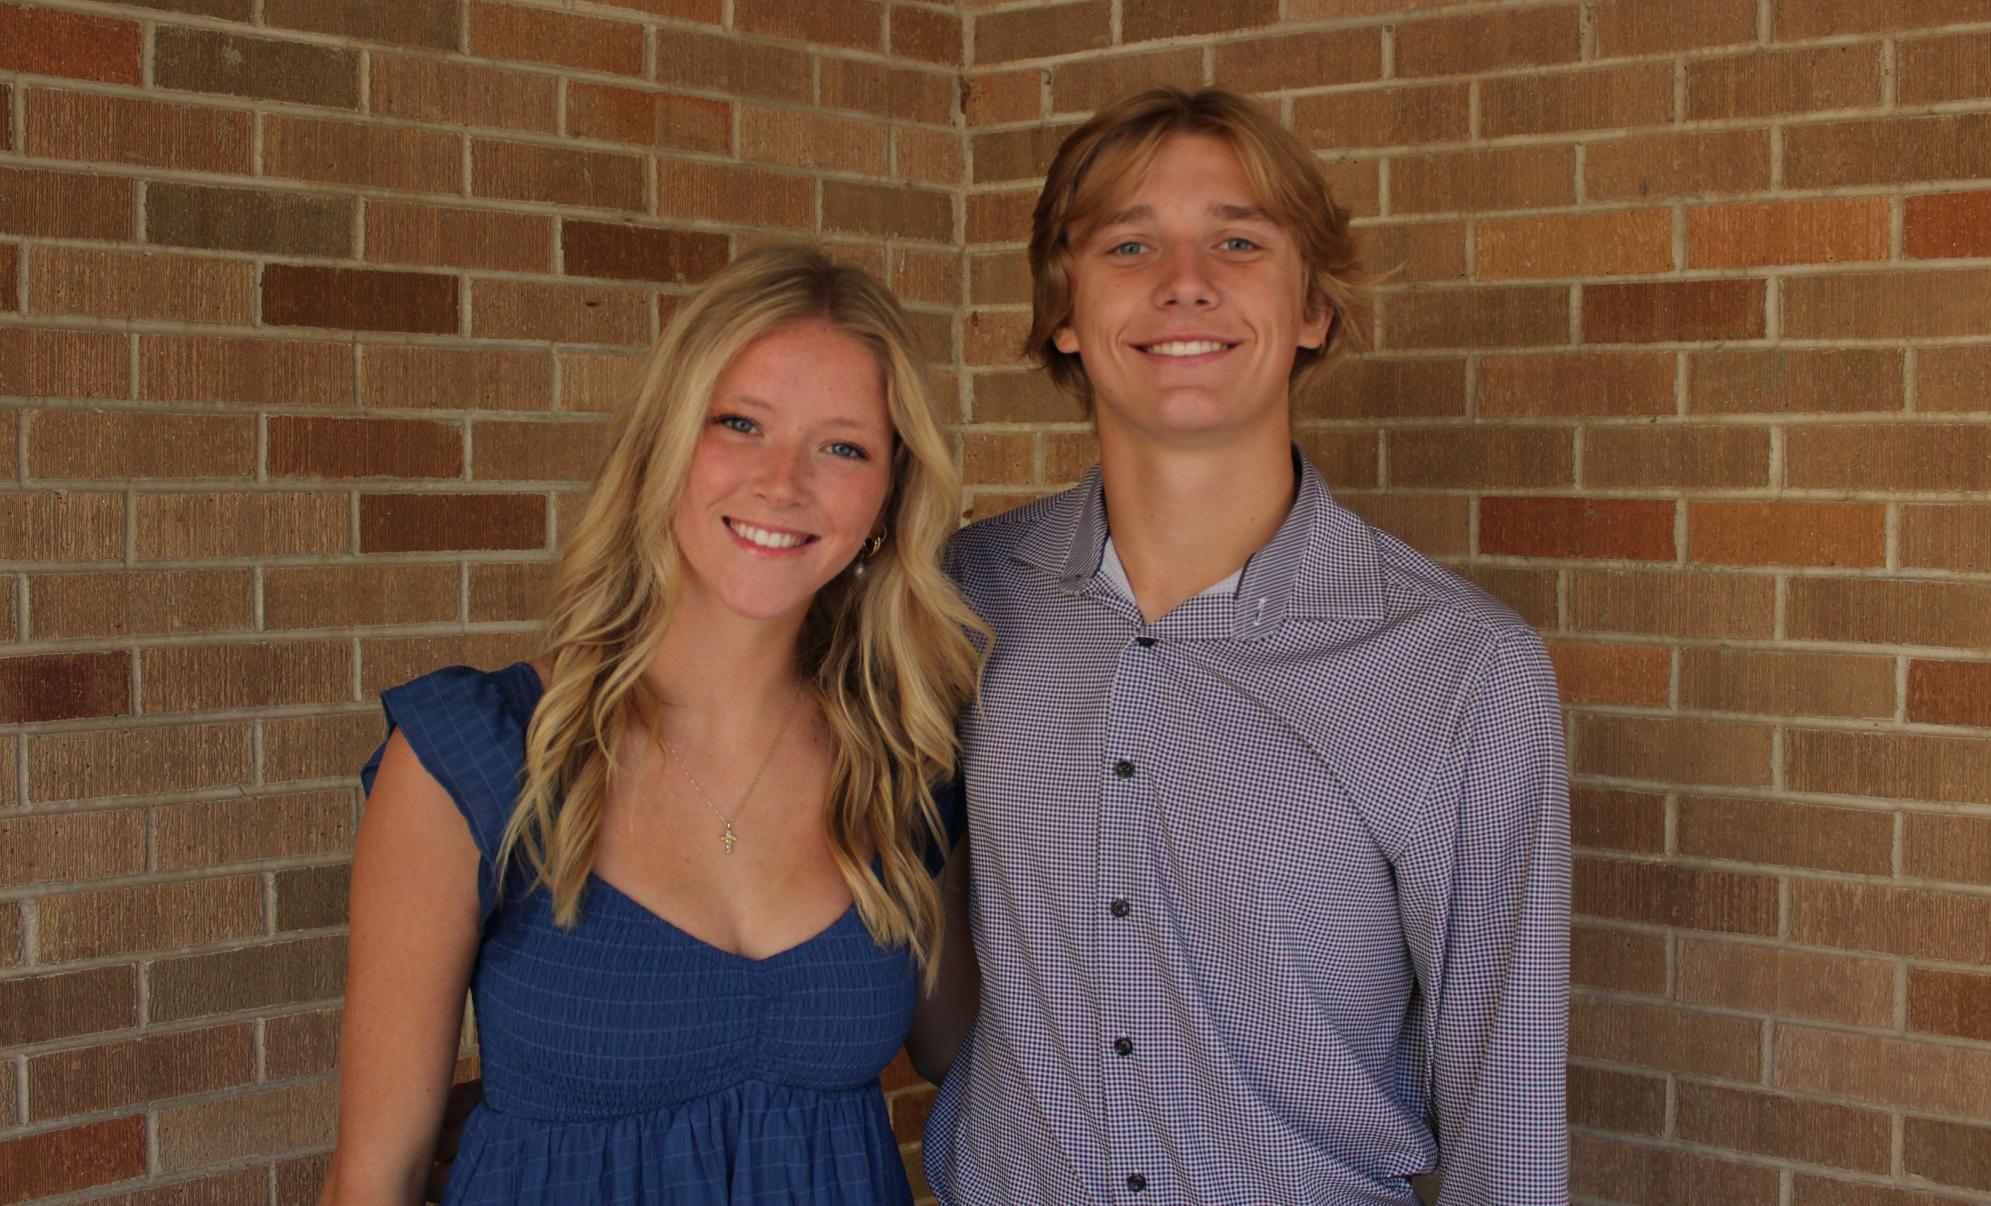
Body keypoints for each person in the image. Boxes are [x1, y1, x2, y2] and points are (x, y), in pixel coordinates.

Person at [923, 87, 1570, 1205]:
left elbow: (1502, 1117)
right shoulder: (957, 599)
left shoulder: (1464, 670)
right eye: (1130, 242)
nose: (1185, 280)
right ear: (1064, 310)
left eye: (1238, 239)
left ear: (1312, 306)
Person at [321, 246, 984, 1205]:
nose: (782, 481)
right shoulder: (479, 753)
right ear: (664, 448)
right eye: (740, 424)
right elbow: (371, 1179)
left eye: (843, 446)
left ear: (885, 502)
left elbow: (973, 1050)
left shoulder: (905, 763)